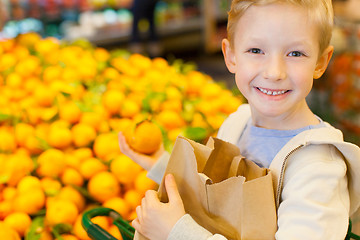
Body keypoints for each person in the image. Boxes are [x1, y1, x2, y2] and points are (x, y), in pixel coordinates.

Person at [118, 0, 360, 239]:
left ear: (320, 62)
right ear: (231, 56)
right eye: (256, 51)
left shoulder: (317, 167)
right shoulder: (237, 122)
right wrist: (161, 164)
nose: (274, 72)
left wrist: (177, 232)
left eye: (295, 53)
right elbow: (216, 200)